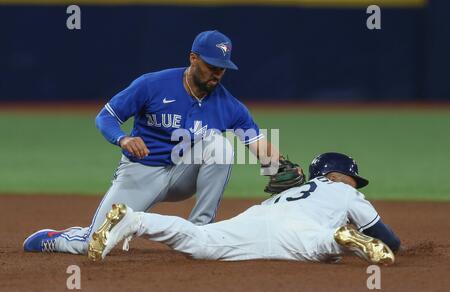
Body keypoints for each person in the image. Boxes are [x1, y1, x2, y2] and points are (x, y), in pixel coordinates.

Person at [23, 30, 304, 258]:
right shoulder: (153, 85)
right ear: (193, 58)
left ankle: (199, 232)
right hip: (141, 172)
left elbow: (256, 142)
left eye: (223, 69)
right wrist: (123, 138)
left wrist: (278, 166)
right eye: (211, 66)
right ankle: (55, 238)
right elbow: (106, 117)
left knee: (220, 147)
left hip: (183, 174)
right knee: (95, 243)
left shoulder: (229, 105)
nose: (217, 74)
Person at [86, 152, 401, 265]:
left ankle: (135, 220)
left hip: (259, 215)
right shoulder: (345, 193)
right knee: (322, 248)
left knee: (200, 241)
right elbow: (390, 240)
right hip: (299, 231)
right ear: (337, 175)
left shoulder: (298, 190)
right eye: (352, 178)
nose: (355, 184)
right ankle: (340, 238)